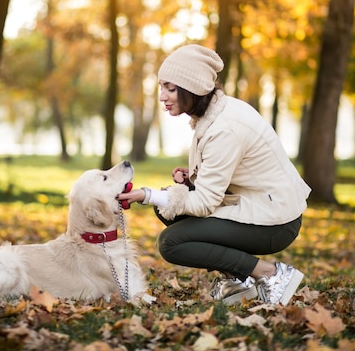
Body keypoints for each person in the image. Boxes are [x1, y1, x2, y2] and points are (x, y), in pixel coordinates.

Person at [117, 44, 311, 306]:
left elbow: (205, 203)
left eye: (171, 89)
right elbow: (229, 173)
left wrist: (147, 194)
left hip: (276, 221)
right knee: (169, 209)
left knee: (171, 242)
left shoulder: (225, 127)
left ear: (193, 88)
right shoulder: (214, 114)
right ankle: (240, 281)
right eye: (161, 87)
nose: (162, 96)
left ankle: (271, 274)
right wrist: (193, 179)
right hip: (259, 205)